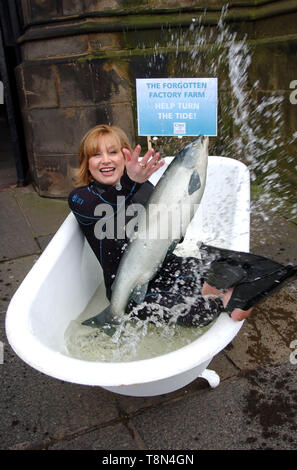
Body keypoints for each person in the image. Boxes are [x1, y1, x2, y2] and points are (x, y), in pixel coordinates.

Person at [68, 124, 296, 330]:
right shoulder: (82, 198)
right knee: (198, 311)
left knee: (232, 268)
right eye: (96, 155)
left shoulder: (143, 188)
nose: (105, 160)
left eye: (113, 152)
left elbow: (170, 231)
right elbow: (104, 210)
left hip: (166, 265)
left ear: (126, 155)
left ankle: (224, 293)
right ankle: (220, 295)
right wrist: (129, 182)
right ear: (86, 163)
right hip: (125, 289)